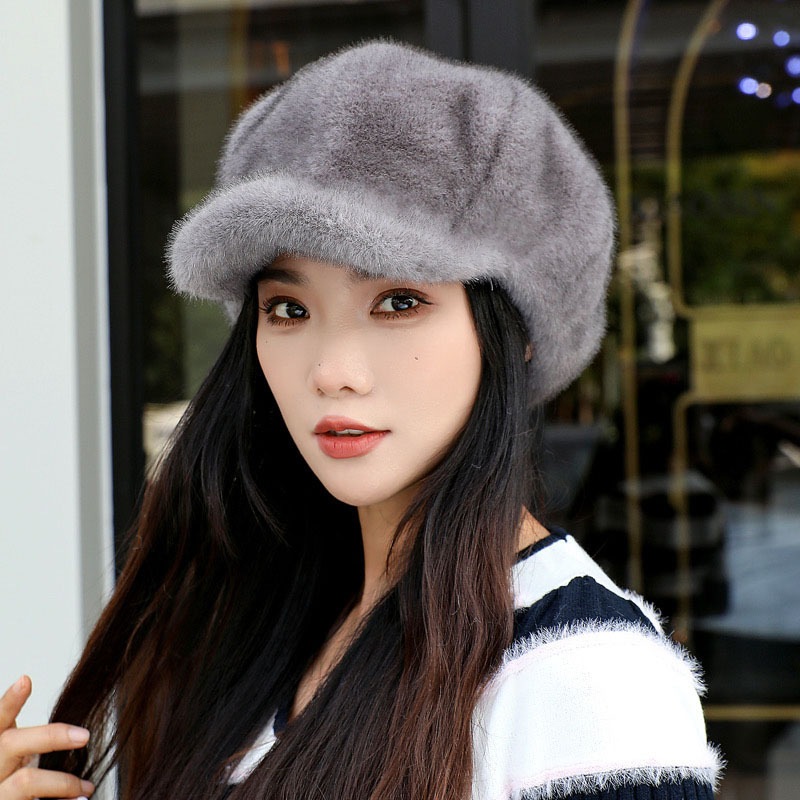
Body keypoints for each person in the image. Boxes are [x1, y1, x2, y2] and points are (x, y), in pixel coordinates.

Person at [0, 41, 722, 800]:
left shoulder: (582, 676)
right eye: (288, 308)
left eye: (399, 302)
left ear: (517, 333)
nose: (331, 370)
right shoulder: (272, 624)